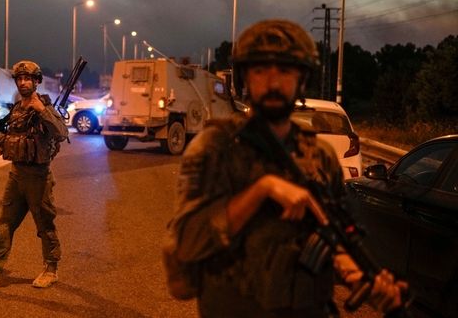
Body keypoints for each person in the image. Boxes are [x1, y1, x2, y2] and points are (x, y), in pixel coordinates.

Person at [162, 20, 407, 317]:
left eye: (285, 71)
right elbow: (187, 244)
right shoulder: (215, 148)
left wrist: (357, 274)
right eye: (261, 70)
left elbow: (329, 236)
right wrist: (262, 189)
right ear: (244, 79)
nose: (274, 82)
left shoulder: (320, 157)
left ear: (302, 80)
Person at [0, 60, 68, 292]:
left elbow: (61, 133)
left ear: (37, 81)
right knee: (2, 226)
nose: (23, 82)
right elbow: (13, 140)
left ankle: (51, 270)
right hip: (17, 175)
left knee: (45, 226)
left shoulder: (45, 107)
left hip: (39, 177)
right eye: (19, 79)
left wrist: (42, 111)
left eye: (28, 79)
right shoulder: (16, 109)